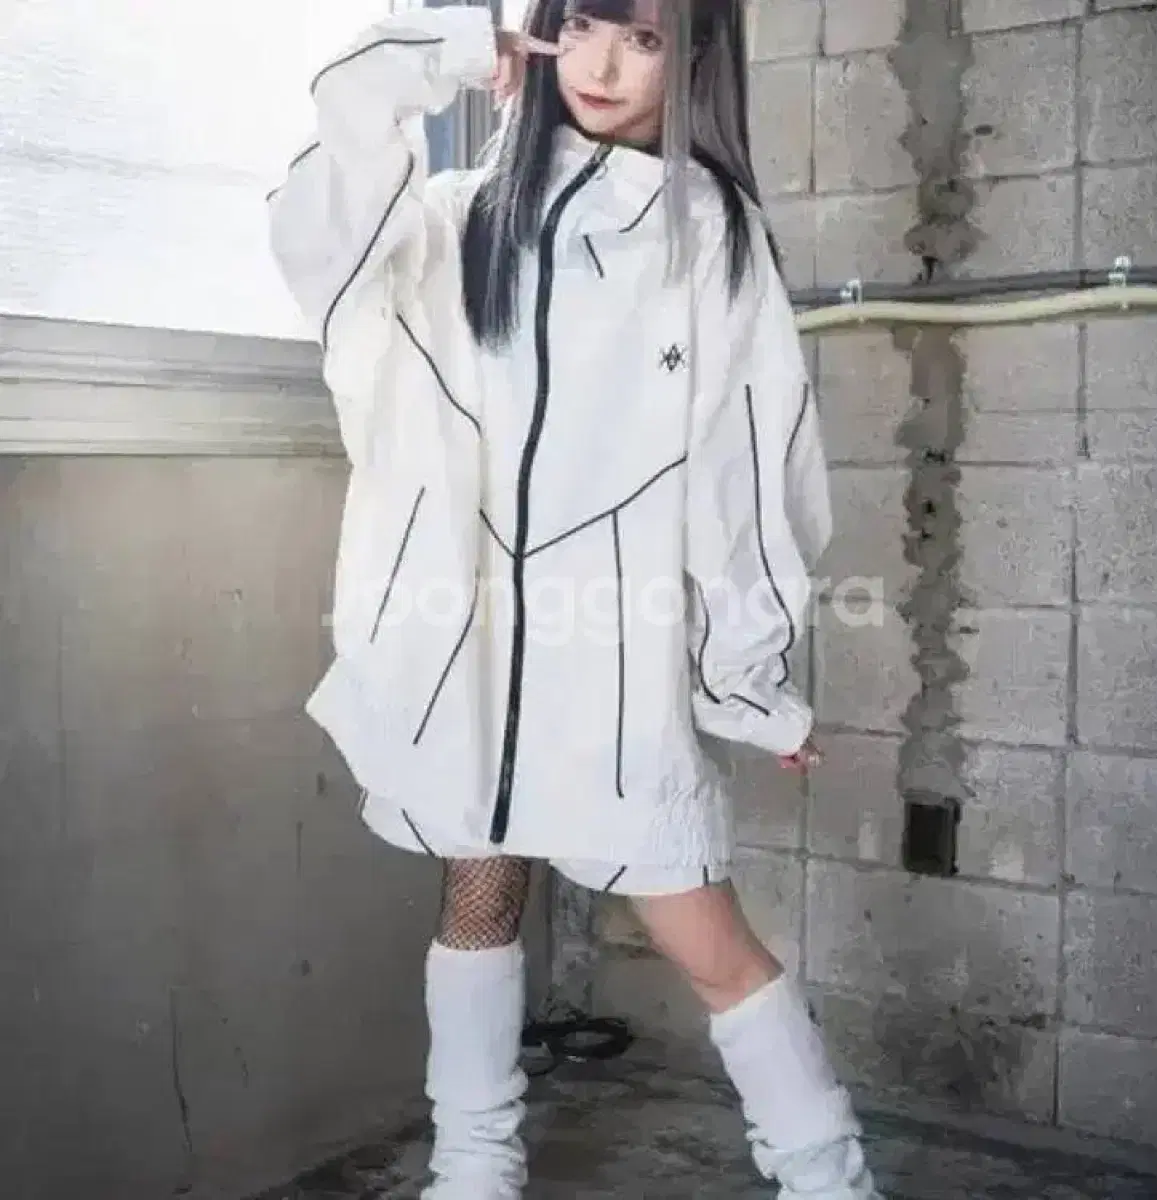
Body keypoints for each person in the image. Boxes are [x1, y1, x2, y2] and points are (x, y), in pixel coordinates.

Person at [267, 2, 881, 1196]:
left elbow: (751, 466)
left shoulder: (709, 236)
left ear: (691, 59)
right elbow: (319, 234)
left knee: (707, 937)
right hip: (466, 666)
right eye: (586, 23)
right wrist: (443, 58)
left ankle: (830, 1178)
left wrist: (747, 677)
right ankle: (472, 1171)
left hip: (611, 673)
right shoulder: (452, 220)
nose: (603, 64)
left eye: (644, 39)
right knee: (476, 895)